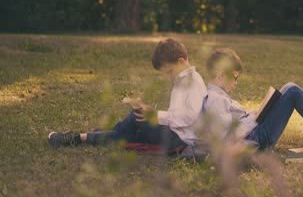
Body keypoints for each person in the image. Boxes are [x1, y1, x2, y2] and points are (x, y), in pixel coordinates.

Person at [48, 38, 208, 155]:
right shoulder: (185, 79)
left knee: (134, 119)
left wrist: (155, 115)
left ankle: (80, 137)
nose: (168, 77)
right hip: (175, 131)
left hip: (179, 139)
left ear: (181, 61)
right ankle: (87, 136)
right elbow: (178, 114)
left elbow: (189, 117)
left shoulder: (192, 82)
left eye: (169, 72)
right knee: (132, 125)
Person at [202, 48, 303, 150]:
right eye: (235, 78)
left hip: (254, 134)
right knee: (293, 91)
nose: (236, 83)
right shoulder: (216, 100)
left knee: (288, 88)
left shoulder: (218, 96)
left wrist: (254, 116)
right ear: (221, 75)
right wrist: (252, 119)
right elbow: (225, 138)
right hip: (255, 142)